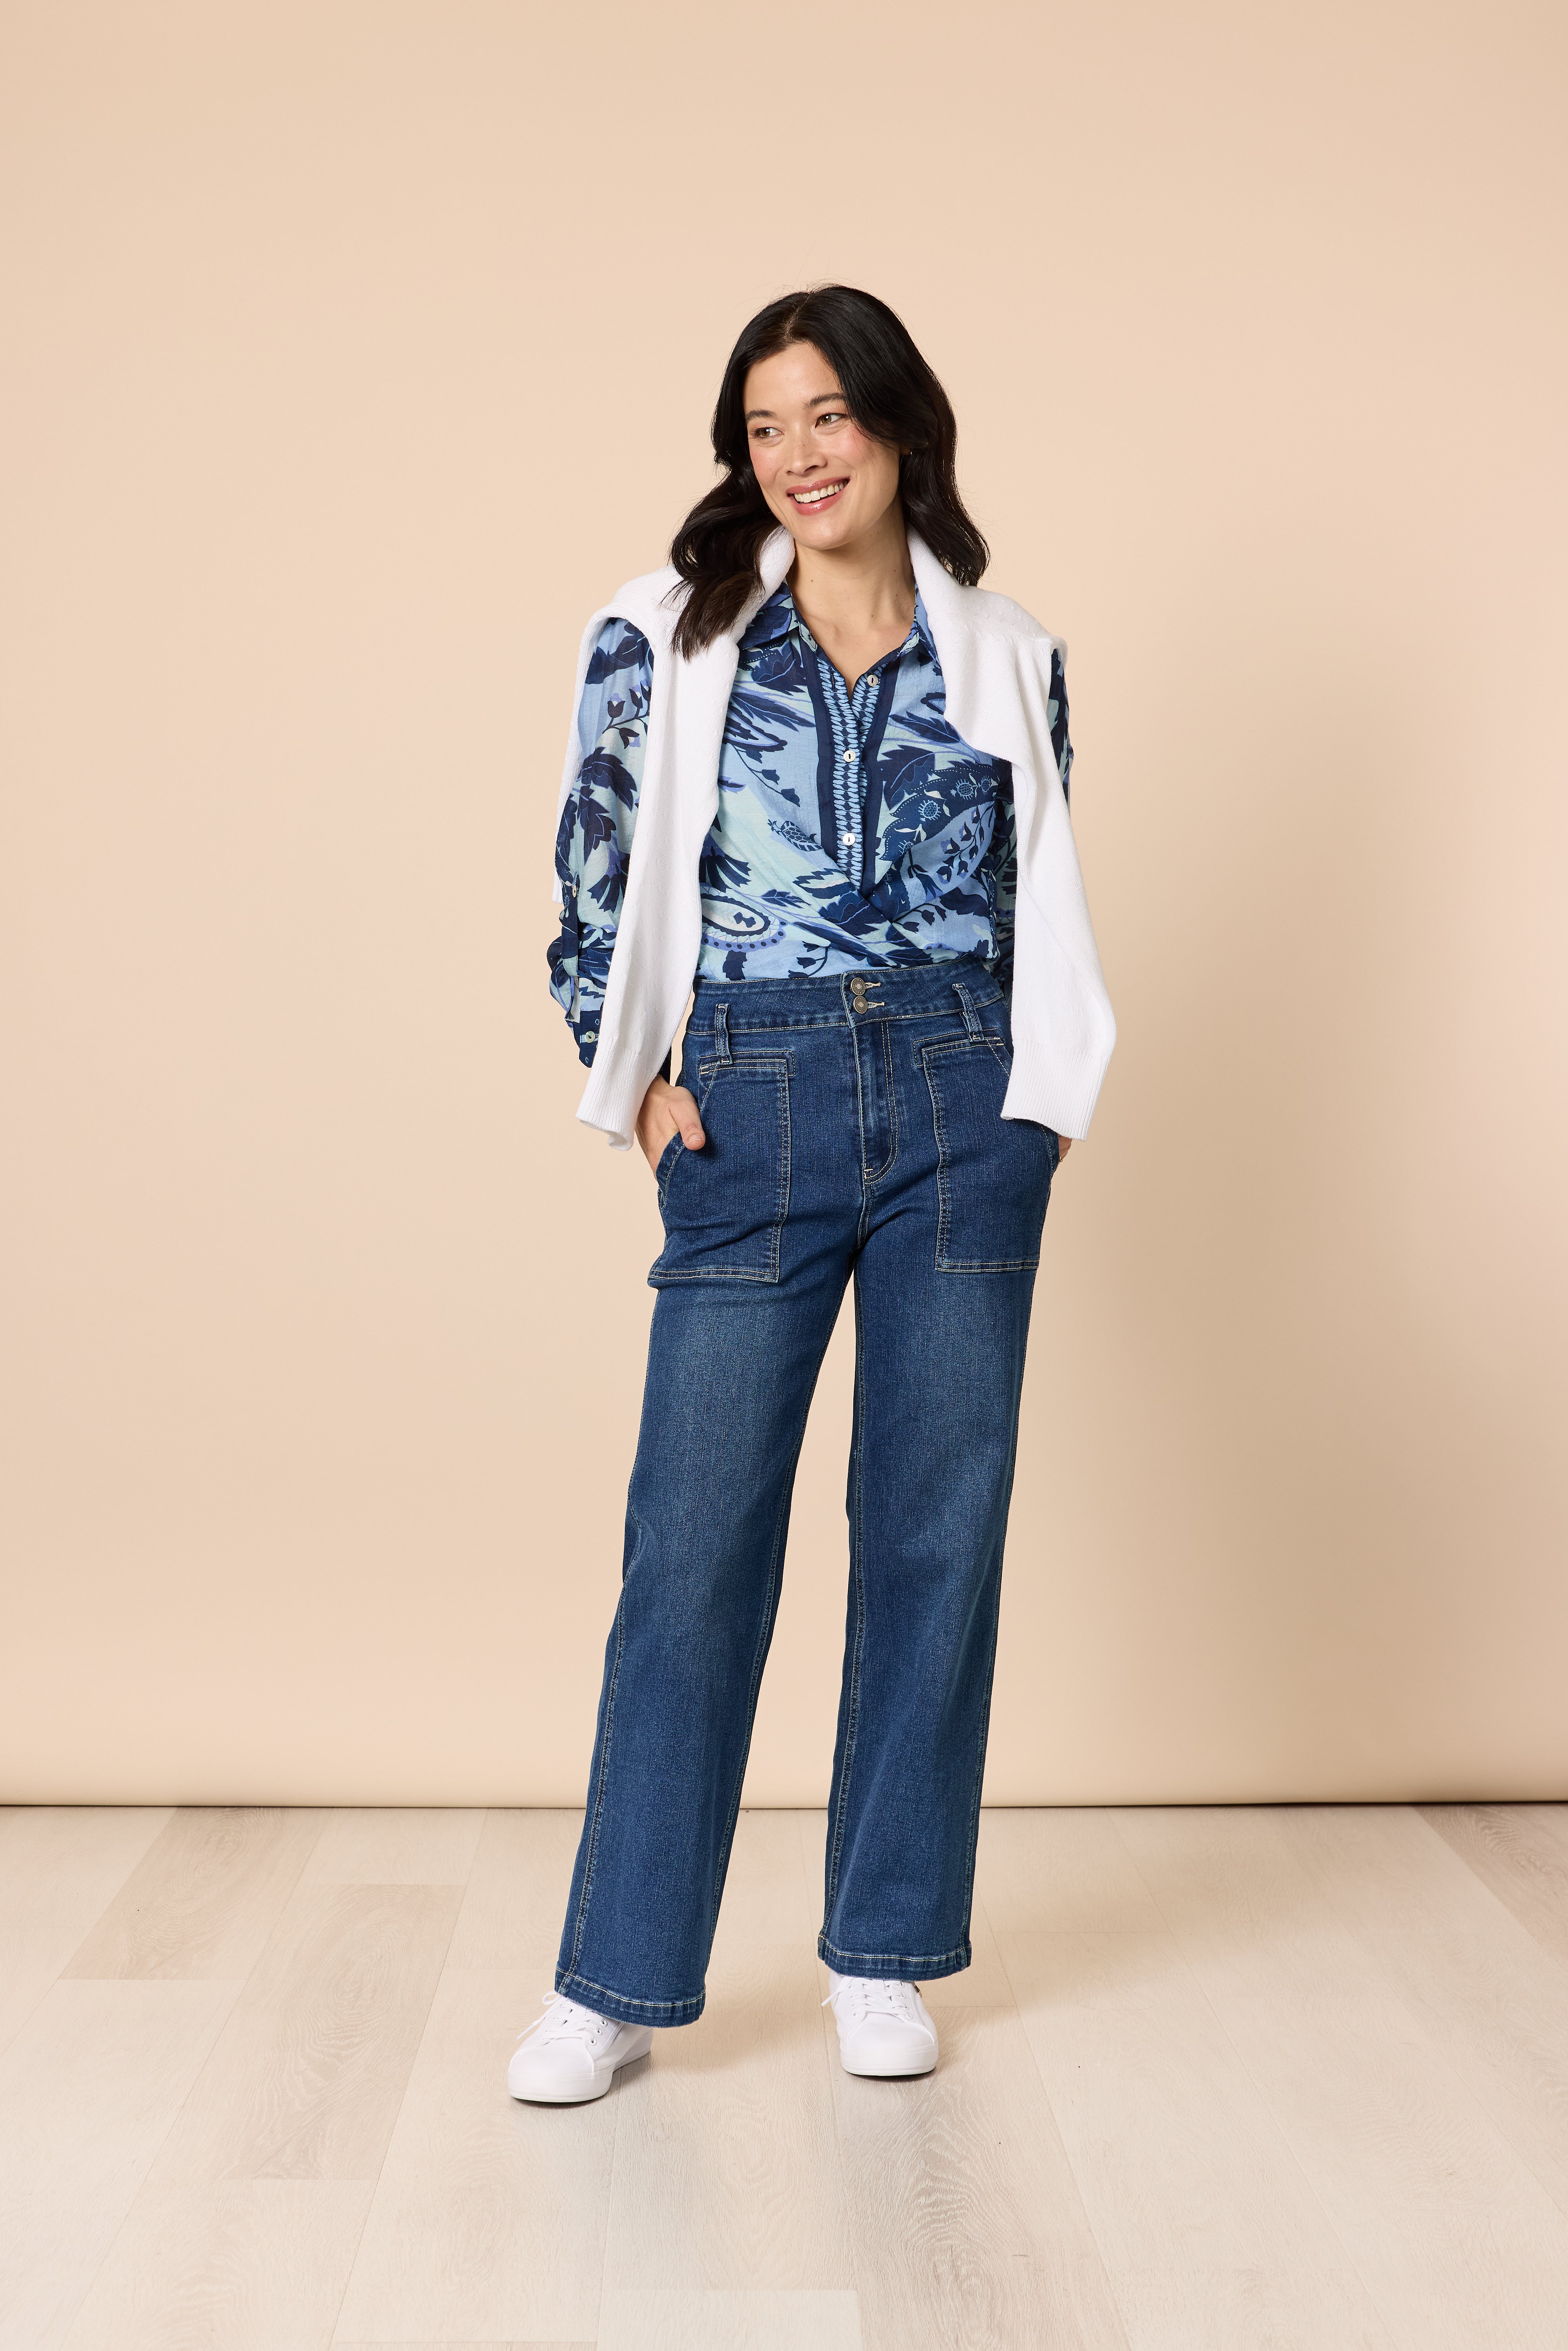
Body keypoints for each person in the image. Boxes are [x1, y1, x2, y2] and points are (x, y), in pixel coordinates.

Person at [510, 286, 1115, 2104]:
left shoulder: (1009, 652)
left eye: (826, 416)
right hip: (748, 1097)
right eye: (764, 428)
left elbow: (1036, 896)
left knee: (933, 1535)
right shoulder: (662, 632)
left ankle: (883, 1952)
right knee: (692, 1548)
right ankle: (615, 1979)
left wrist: (1032, 1107)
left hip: (958, 1096)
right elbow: (588, 879)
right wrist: (635, 1091)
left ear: (898, 424)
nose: (797, 456)